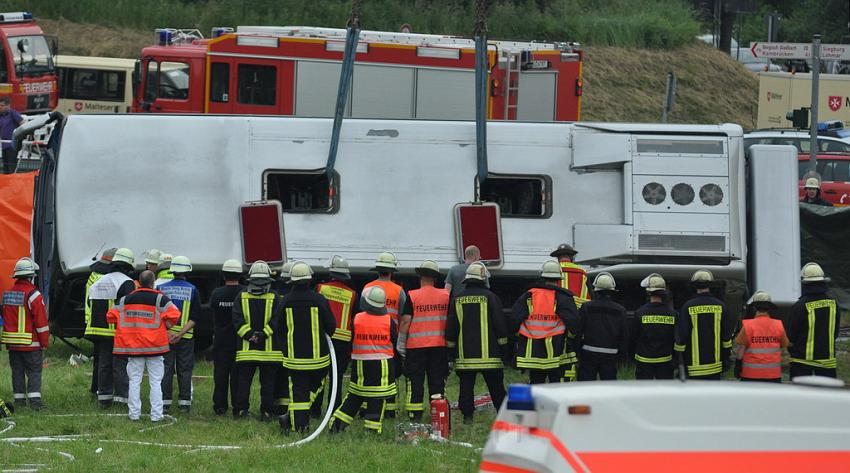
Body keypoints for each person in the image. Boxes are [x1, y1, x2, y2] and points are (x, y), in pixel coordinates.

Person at [106, 270, 181, 421]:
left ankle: (134, 415)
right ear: (153, 283)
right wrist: (166, 324)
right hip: (155, 347)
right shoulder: (160, 299)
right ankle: (156, 415)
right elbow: (175, 314)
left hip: (133, 347)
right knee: (155, 382)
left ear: (138, 282)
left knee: (134, 381)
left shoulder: (125, 300)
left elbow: (110, 317)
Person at [277, 262, 336, 434]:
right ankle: (295, 420)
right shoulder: (319, 299)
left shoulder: (285, 301)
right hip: (318, 359)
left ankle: (298, 425)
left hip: (294, 359)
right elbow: (331, 326)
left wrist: (285, 350)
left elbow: (278, 327)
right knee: (314, 387)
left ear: (292, 281)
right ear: (309, 280)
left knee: (298, 392)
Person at [446, 262, 508, 424]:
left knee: (466, 388)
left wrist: (451, 354)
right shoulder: (492, 297)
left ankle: (467, 418)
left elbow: (451, 328)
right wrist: (504, 351)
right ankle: (503, 416)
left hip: (465, 358)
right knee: (497, 388)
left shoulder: (457, 299)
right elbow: (500, 325)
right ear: (483, 279)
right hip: (491, 357)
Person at [331, 286, 398, 434]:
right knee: (377, 398)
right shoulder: (389, 321)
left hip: (360, 366)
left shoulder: (357, 319)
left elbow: (351, 340)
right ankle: (372, 431)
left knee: (354, 397)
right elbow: (395, 341)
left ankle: (337, 425)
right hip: (382, 367)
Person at [511, 260, 579, 384]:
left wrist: (517, 336)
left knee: (536, 382)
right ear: (559, 279)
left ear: (542, 276)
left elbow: (515, 318)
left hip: (533, 349)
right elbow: (573, 322)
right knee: (556, 382)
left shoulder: (529, 295)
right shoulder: (564, 297)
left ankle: (537, 404)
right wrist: (570, 336)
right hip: (556, 348)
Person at [398, 260, 450, 421]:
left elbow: (406, 320)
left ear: (420, 277)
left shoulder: (412, 295)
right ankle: (437, 414)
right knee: (437, 381)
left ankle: (415, 415)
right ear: (435, 279)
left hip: (416, 346)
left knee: (416, 381)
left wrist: (401, 342)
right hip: (439, 346)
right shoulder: (445, 296)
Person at [232, 261, 283, 420]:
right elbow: (277, 320)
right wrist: (263, 335)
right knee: (267, 385)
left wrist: (250, 336)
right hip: (269, 353)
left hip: (247, 351)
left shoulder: (241, 296)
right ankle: (266, 412)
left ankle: (241, 411)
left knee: (244, 383)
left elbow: (236, 319)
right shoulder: (275, 296)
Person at [88, 247, 137, 408]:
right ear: (128, 266)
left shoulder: (99, 281)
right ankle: (122, 399)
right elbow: (130, 307)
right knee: (120, 365)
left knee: (104, 364)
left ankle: (104, 398)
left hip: (97, 330)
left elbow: (89, 303)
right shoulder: (126, 282)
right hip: (116, 331)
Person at [361, 252, 406, 417]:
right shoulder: (399, 290)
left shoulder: (367, 288)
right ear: (392, 271)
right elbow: (403, 315)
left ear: (378, 270)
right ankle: (389, 410)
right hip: (389, 337)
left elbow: (362, 312)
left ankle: (367, 407)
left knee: (369, 374)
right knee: (390, 374)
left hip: (369, 337)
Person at [1, 257, 49, 409]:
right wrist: (44, 342)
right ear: (31, 276)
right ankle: (35, 404)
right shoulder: (34, 295)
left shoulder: (7, 294)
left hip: (13, 344)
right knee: (34, 372)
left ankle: (20, 402)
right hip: (31, 343)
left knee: (17, 372)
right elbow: (41, 323)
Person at [156, 256, 201, 413]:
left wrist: (169, 332)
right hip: (186, 337)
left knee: (166, 369)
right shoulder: (193, 289)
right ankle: (184, 404)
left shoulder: (161, 289)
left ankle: (165, 403)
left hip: (165, 337)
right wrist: (180, 334)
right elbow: (195, 317)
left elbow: (157, 315)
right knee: (185, 369)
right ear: (187, 271)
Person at [315, 255, 357, 414]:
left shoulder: (320, 288)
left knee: (319, 376)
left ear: (331, 273)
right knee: (337, 378)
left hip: (323, 338)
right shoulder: (352, 294)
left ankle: (315, 409)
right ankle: (334, 409)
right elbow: (353, 318)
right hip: (342, 342)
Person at [674, 269, 734, 380]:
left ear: (695, 286)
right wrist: (726, 358)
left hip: (693, 367)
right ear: (710, 285)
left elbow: (681, 337)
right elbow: (726, 337)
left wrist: (679, 360)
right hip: (715, 366)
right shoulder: (721, 306)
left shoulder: (687, 307)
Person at [788, 263, 839, 378]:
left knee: (801, 396)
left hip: (802, 363)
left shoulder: (799, 306)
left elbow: (791, 335)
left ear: (805, 284)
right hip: (827, 363)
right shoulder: (834, 304)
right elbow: (835, 333)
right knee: (827, 395)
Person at [208, 259, 245, 415]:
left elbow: (212, 311)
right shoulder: (245, 292)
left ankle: (220, 406)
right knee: (238, 376)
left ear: (223, 275)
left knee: (221, 374)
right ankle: (238, 407)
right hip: (240, 340)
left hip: (221, 340)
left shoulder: (217, 293)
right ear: (240, 275)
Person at [576, 272, 627, 381]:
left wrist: (578, 351)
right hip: (610, 355)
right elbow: (624, 336)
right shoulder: (620, 310)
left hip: (588, 354)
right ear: (612, 290)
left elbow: (578, 331)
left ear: (596, 290)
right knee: (609, 390)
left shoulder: (586, 307)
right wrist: (621, 355)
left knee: (585, 388)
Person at [735, 291, 789, 383]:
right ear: (769, 308)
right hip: (773, 375)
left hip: (750, 375)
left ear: (755, 307)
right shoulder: (778, 325)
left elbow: (740, 351)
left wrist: (738, 365)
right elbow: (784, 345)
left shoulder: (748, 326)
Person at [84, 247, 117, 397]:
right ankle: (103, 391)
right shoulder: (110, 280)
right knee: (107, 361)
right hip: (107, 325)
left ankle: (95, 388)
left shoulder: (93, 276)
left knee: (98, 359)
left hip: (93, 324)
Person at [632, 273, 678, 380]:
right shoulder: (673, 314)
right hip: (665, 361)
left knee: (643, 393)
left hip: (643, 360)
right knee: (664, 393)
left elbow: (634, 336)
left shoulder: (640, 312)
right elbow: (676, 338)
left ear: (648, 292)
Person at [550, 243, 591, 308]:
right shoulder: (582, 272)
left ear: (558, 258)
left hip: (557, 311)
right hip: (578, 312)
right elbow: (590, 295)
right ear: (571, 257)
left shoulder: (552, 271)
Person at [0, 98, 23, 174]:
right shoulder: (1, 116)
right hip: (4, 145)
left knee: (11, 167)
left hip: (12, 146)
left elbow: (22, 123)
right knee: (5, 167)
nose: (0, 107)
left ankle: (12, 183)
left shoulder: (13, 113)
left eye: (2, 105)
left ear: (8, 106)